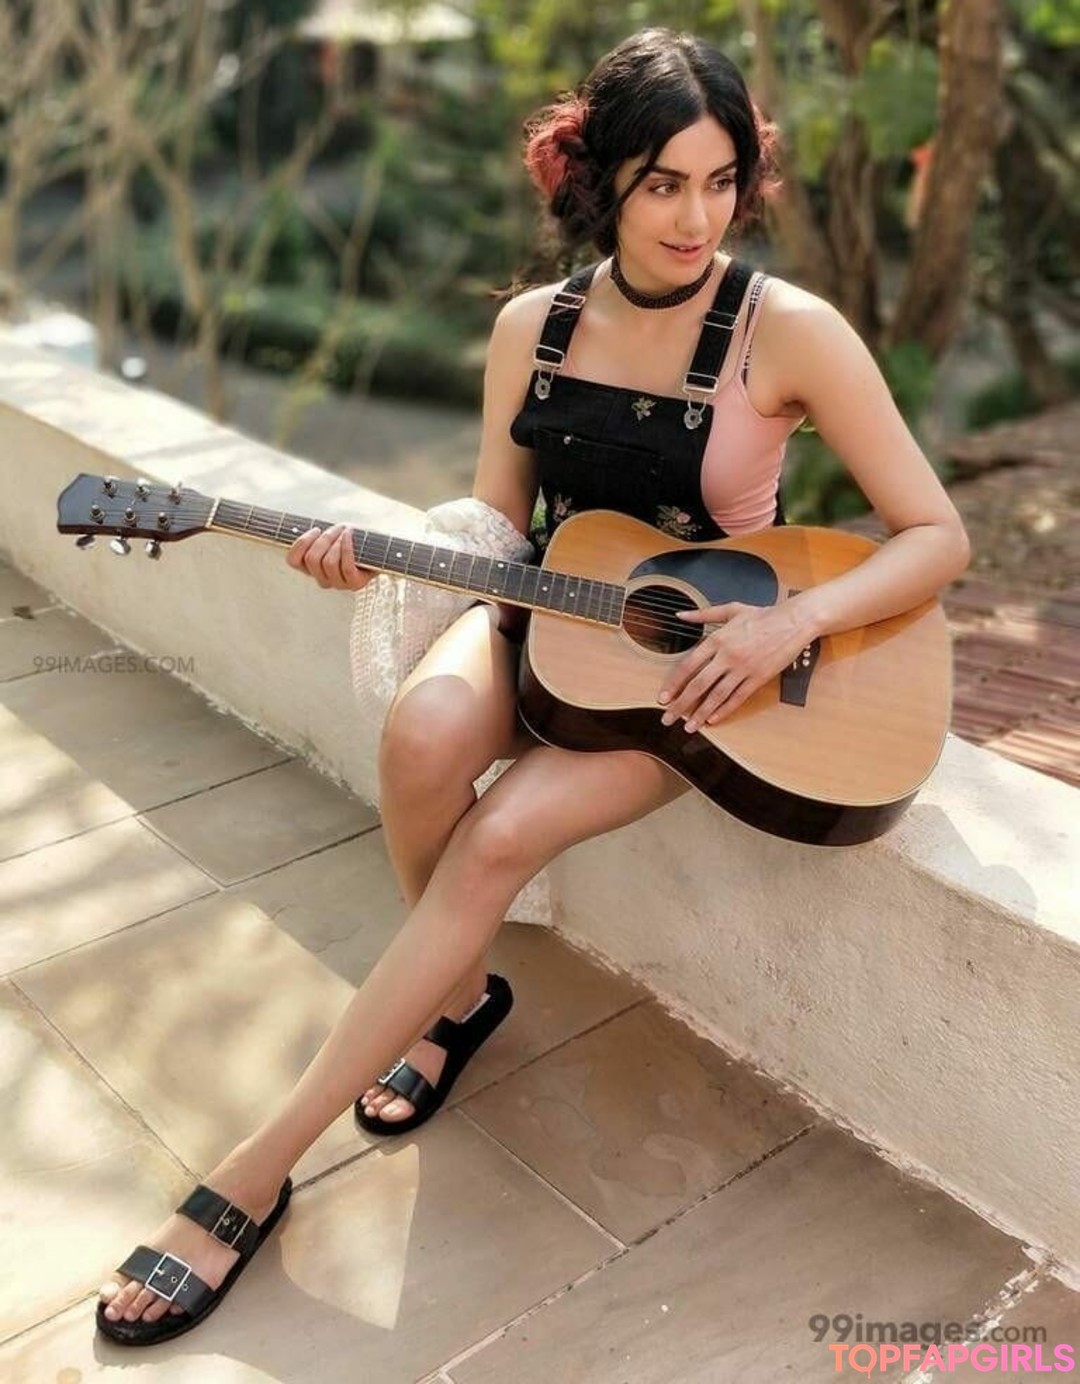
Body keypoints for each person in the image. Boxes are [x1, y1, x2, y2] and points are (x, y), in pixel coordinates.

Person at [97, 27, 969, 1344]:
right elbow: (499, 535)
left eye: (720, 181)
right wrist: (372, 560)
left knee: (499, 834)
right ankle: (454, 1001)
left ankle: (258, 1166)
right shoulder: (534, 329)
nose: (696, 217)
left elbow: (936, 537)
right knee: (421, 736)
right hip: (551, 615)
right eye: (663, 184)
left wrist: (790, 626)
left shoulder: (785, 330)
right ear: (602, 179)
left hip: (706, 673)